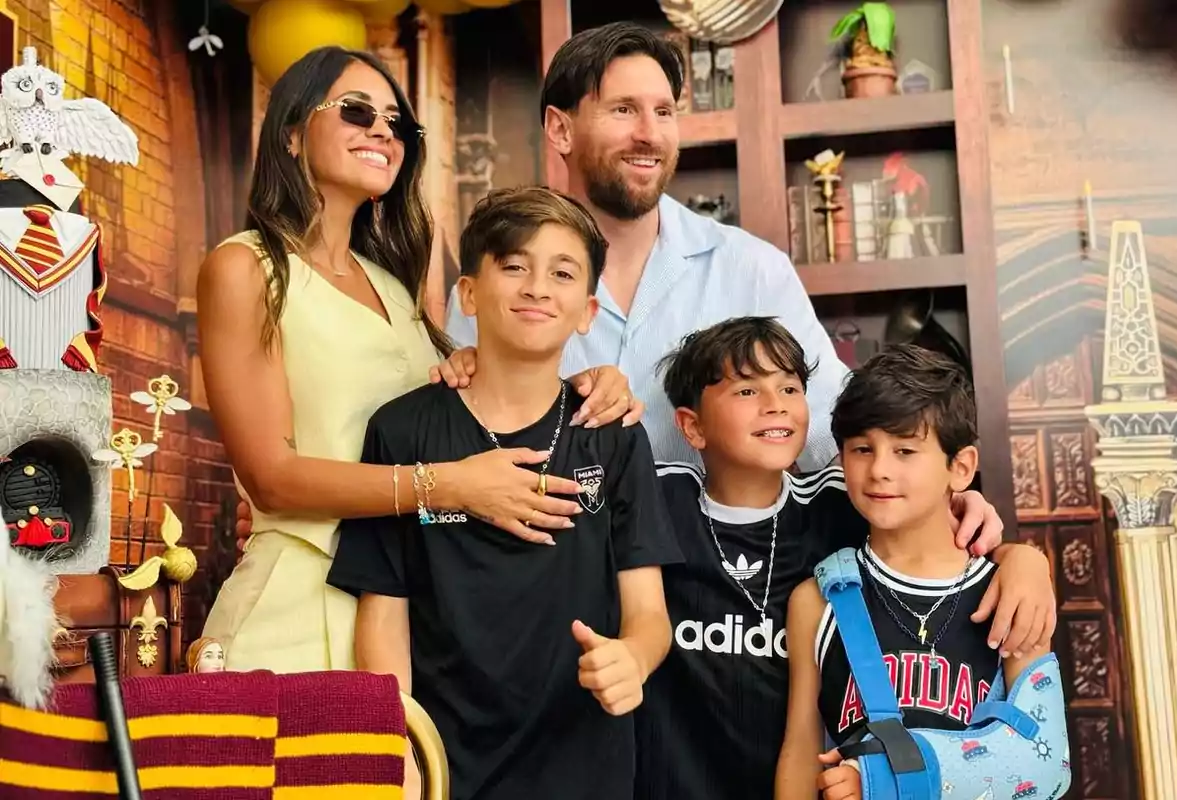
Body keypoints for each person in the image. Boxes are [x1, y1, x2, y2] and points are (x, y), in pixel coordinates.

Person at [197, 47, 633, 673]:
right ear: (292, 133)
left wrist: (588, 383)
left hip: (405, 614)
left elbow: (450, 406)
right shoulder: (246, 268)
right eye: (355, 111)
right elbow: (270, 476)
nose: (381, 130)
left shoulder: (394, 287)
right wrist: (449, 484)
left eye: (396, 122)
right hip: (297, 607)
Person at [326, 186, 682, 800]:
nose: (537, 287)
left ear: (587, 311)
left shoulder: (612, 437)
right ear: (469, 293)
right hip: (445, 758)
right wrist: (399, 747)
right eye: (514, 266)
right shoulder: (402, 430)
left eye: (562, 273)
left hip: (583, 759)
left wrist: (635, 658)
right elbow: (385, 613)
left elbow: (649, 612)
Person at [635, 319, 1055, 800]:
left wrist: (1023, 559)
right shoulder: (658, 501)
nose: (880, 470)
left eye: (789, 386)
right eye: (747, 390)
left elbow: (1043, 758)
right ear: (692, 425)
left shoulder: (835, 504)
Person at [438, 22, 847, 472]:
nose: (649, 134)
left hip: (717, 541)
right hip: (553, 539)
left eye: (665, 112)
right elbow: (463, 449)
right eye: (624, 110)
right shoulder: (497, 284)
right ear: (560, 130)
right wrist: (553, 401)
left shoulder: (753, 269)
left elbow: (830, 434)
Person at [775, 346, 1056, 799]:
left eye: (905, 450)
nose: (880, 470)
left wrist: (883, 781)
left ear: (960, 468)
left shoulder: (1009, 593)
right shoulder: (818, 600)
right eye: (862, 449)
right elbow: (801, 751)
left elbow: (1045, 764)